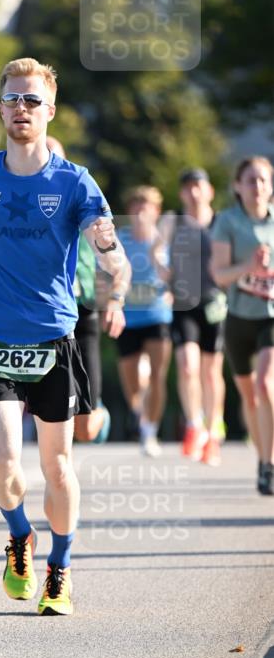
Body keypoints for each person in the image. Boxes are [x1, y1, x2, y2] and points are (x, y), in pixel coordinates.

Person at [0, 57, 129, 616]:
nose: (22, 109)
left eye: (32, 101)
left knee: (57, 467)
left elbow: (107, 244)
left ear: (49, 111)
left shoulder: (74, 182)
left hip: (53, 341)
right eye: (13, 99)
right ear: (1, 108)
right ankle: (20, 536)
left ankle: (61, 569)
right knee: (2, 462)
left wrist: (114, 269)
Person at [47, 136, 128, 443]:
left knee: (86, 430)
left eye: (56, 162)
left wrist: (116, 300)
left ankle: (98, 412)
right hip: (40, 313)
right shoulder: (23, 206)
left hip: (82, 310)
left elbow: (121, 262)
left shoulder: (83, 202)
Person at [210, 156, 274, 495]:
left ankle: (269, 463)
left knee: (266, 384)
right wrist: (248, 265)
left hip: (270, 317)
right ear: (238, 186)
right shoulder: (228, 223)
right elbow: (219, 275)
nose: (257, 186)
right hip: (237, 318)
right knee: (250, 397)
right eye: (250, 180)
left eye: (263, 180)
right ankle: (261, 457)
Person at [159, 168, 226, 465]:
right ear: (183, 192)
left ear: (210, 191)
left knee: (211, 373)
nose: (194, 192)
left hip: (215, 304)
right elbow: (155, 251)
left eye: (199, 186)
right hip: (183, 302)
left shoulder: (222, 222)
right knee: (187, 366)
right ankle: (194, 425)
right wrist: (165, 275)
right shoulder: (173, 222)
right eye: (188, 187)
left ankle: (213, 433)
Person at [116, 185, 173, 457]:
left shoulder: (163, 242)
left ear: (156, 211)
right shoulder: (120, 239)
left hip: (157, 314)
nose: (141, 211)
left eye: (146, 206)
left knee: (157, 376)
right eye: (136, 206)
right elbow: (108, 271)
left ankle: (150, 431)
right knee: (132, 381)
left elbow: (170, 277)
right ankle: (139, 413)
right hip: (127, 317)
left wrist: (159, 256)